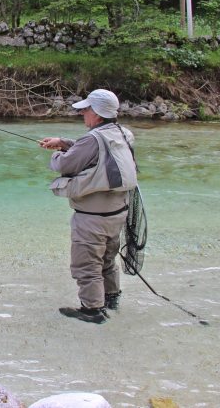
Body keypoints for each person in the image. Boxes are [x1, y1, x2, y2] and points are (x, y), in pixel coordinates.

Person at [39, 89, 137, 324]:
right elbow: (97, 151)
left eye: (86, 110)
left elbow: (66, 164)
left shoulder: (92, 139)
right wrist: (63, 142)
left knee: (87, 264)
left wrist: (56, 154)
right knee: (107, 260)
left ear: (97, 113)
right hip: (117, 214)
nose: (82, 113)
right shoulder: (124, 133)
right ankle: (111, 298)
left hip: (92, 218)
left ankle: (92, 311)